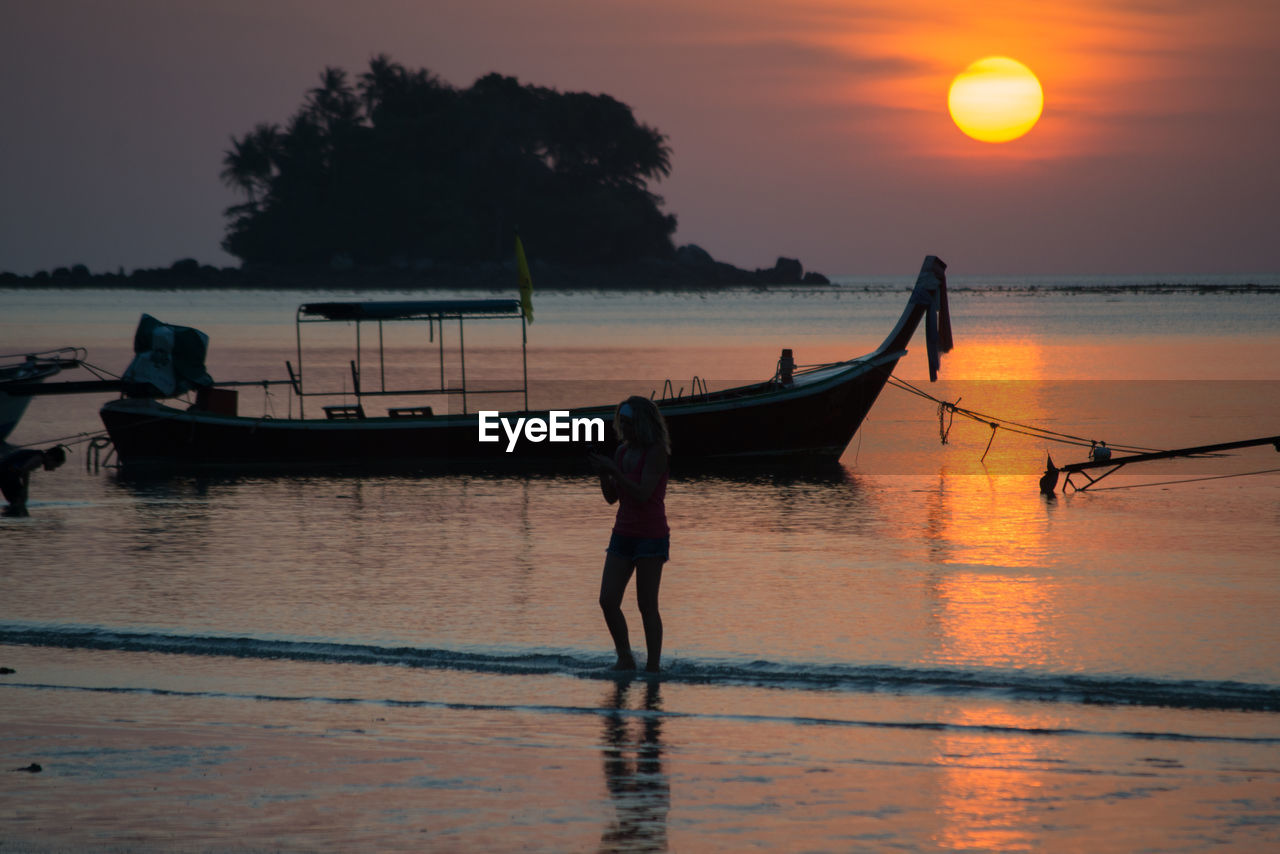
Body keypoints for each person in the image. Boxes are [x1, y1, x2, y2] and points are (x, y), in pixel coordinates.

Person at [588, 396, 671, 673]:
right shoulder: (623, 452)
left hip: (651, 536)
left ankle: (653, 666)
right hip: (622, 534)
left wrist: (615, 472)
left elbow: (642, 494)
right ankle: (625, 658)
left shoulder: (656, 452)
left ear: (642, 424)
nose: (623, 428)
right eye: (621, 423)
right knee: (607, 600)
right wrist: (604, 475)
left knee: (647, 605)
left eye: (628, 423)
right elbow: (613, 498)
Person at [0, 444, 67, 517]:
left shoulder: (37, 455)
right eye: (55, 465)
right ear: (50, 457)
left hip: (6, 474)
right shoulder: (38, 459)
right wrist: (25, 489)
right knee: (19, 502)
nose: (53, 469)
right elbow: (24, 471)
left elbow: (24, 470)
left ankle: (10, 518)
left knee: (17, 502)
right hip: (6, 474)